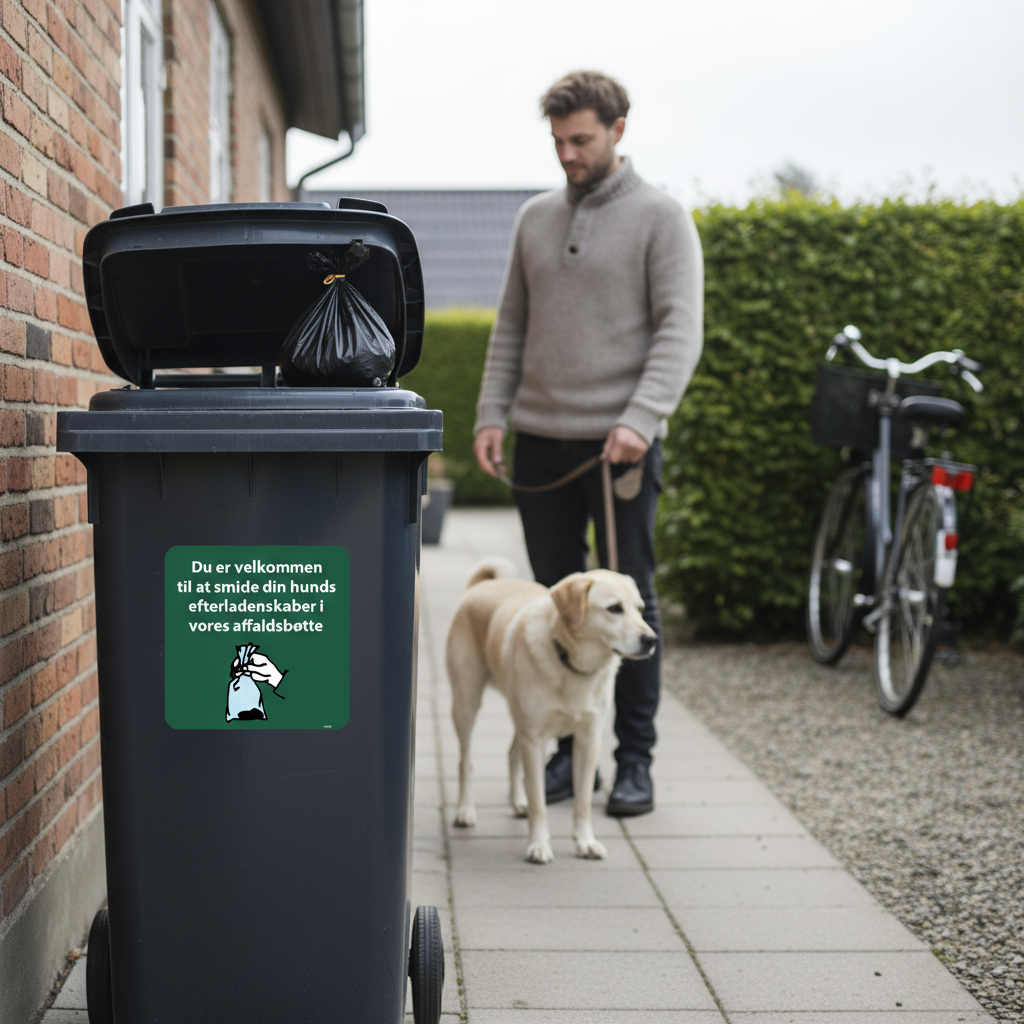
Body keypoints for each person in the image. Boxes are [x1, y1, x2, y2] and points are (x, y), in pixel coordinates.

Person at [472, 70, 704, 816]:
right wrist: (489, 414)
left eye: (581, 140)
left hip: (620, 449)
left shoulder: (662, 218)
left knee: (631, 605)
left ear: (618, 131)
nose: (568, 154)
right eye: (558, 142)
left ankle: (633, 760)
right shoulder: (534, 218)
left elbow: (679, 328)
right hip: (539, 442)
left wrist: (643, 416)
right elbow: (511, 325)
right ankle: (572, 762)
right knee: (561, 606)